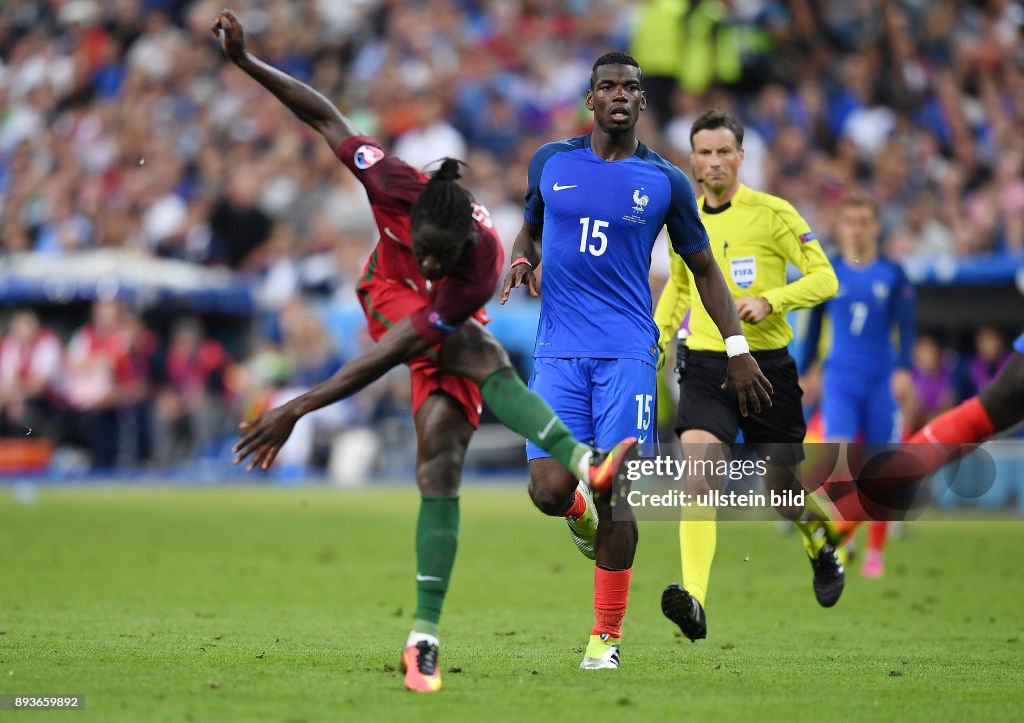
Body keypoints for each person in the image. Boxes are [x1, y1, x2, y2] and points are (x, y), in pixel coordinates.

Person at [212, 10, 638, 694]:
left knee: (440, 452)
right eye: (429, 255)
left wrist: (298, 404)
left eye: (445, 261)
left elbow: (417, 341)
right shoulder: (391, 184)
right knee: (476, 351)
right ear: (409, 225)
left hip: (430, 329)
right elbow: (324, 116)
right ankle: (584, 463)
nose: (436, 269)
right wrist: (247, 63)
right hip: (383, 290)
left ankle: (422, 638)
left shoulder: (476, 263)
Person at [501, 53, 771, 670]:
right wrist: (521, 258)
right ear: (589, 98)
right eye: (607, 86)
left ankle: (605, 637)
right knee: (549, 491)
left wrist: (736, 350)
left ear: (642, 103)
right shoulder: (550, 161)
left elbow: (704, 269)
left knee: (617, 492)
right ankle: (577, 517)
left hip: (626, 353)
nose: (619, 95)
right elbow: (529, 229)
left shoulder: (667, 182)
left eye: (631, 87)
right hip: (558, 353)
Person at [653, 109, 840, 643]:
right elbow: (681, 290)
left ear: (741, 156)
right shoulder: (685, 218)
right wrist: (659, 338)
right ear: (692, 160)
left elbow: (825, 277)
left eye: (723, 152)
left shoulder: (773, 213)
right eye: (704, 153)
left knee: (782, 487)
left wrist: (772, 300)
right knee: (699, 475)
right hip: (707, 363)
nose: (714, 162)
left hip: (766, 368)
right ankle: (693, 599)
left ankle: (819, 542)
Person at [800, 195, 916, 578]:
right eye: (850, 221)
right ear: (841, 226)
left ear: (875, 227)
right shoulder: (829, 271)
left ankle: (876, 552)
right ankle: (845, 538)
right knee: (842, 462)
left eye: (865, 221)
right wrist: (805, 369)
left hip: (881, 379)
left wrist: (903, 369)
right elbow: (814, 325)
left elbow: (907, 326)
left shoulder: (892, 273)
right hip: (840, 379)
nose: (857, 228)